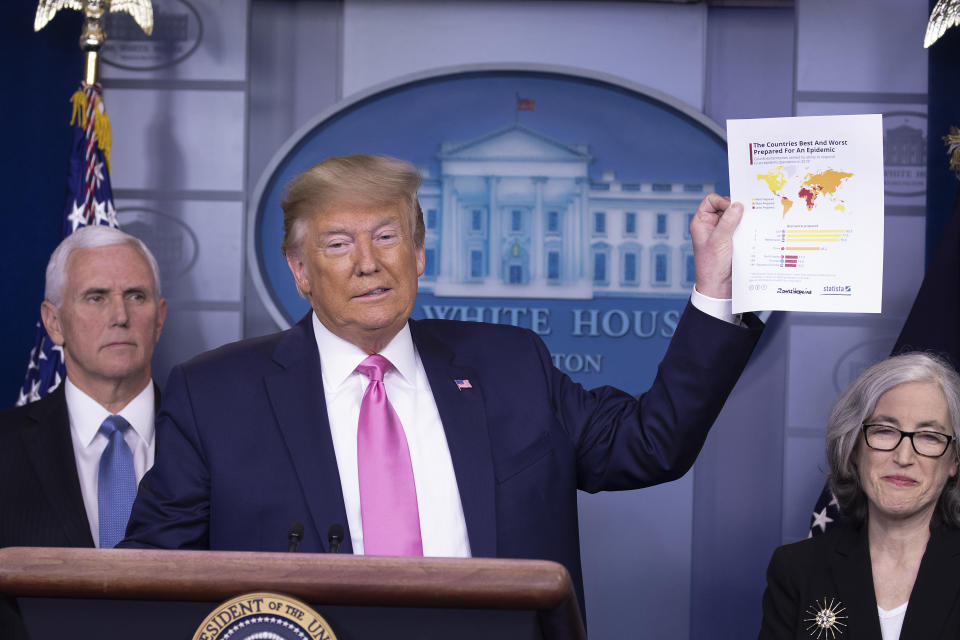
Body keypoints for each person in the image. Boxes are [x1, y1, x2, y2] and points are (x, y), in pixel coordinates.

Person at [121, 154, 762, 615]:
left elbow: (653, 442)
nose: (368, 262)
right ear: (300, 270)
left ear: (420, 254)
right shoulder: (215, 396)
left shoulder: (510, 365)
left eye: (387, 236)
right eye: (339, 243)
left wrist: (716, 289)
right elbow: (148, 579)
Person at [0, 225, 166, 637]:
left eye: (136, 296)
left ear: (159, 317)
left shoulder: (215, 442)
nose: (120, 316)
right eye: (96, 297)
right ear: (54, 322)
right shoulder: (4, 449)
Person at [759, 353, 960, 639]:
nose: (904, 457)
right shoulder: (796, 569)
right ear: (854, 446)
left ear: (954, 460)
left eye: (929, 436)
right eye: (884, 431)